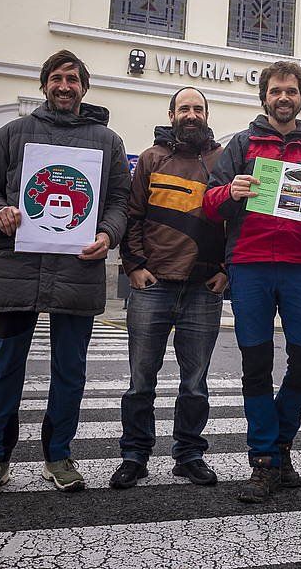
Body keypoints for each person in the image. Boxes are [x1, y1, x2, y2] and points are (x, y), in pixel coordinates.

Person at [0, 49, 130, 498]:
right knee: (4, 369)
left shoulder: (107, 141)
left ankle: (58, 454)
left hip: (78, 269)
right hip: (18, 267)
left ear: (84, 87)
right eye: (56, 78)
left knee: (70, 371)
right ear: (44, 85)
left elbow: (119, 201)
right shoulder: (13, 133)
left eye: (72, 79)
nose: (64, 86)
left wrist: (109, 235)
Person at [203, 60, 301, 503]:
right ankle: (265, 460)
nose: (283, 98)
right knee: (256, 366)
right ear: (264, 96)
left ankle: (281, 442)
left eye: (292, 91)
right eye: (276, 91)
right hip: (249, 266)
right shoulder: (241, 145)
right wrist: (230, 193)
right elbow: (209, 204)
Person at [111, 87, 227, 489]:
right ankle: (134, 456)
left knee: (195, 382)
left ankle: (189, 455)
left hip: (202, 289)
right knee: (141, 380)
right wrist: (134, 267)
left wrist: (226, 270)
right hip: (153, 285)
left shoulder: (222, 161)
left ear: (207, 114)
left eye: (198, 108)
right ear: (172, 114)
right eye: (184, 108)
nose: (191, 115)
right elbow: (132, 215)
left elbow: (236, 219)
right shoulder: (150, 158)